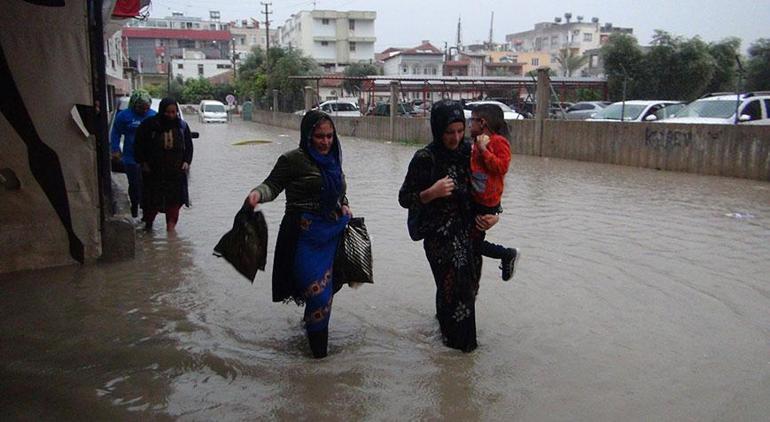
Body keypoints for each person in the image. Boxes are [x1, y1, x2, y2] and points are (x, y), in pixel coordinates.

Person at [246, 110, 352, 359]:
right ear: (307, 136)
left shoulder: (334, 158)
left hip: (331, 234)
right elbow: (272, 185)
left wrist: (344, 203)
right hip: (303, 236)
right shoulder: (291, 160)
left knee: (327, 292)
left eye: (329, 136)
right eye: (319, 136)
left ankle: (313, 339)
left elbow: (337, 189)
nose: (325, 142)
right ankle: (319, 360)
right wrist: (257, 195)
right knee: (318, 293)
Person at [398, 100, 499, 353]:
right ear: (437, 130)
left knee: (469, 290)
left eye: (459, 130)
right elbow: (404, 198)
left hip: (471, 232)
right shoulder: (425, 158)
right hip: (439, 237)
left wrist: (495, 214)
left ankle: (445, 341)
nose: (455, 138)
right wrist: (430, 193)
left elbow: (491, 187)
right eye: (448, 132)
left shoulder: (471, 151)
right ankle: (461, 353)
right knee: (456, 290)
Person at [468, 104, 520, 281]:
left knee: (472, 243)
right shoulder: (475, 142)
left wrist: (484, 150)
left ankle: (506, 254)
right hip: (476, 198)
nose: (469, 125)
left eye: (472, 120)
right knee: (470, 240)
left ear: (482, 122)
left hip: (486, 202)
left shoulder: (498, 142)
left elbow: (502, 167)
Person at [134, 98, 193, 232]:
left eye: (174, 112)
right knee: (152, 203)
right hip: (153, 172)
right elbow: (138, 145)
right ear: (162, 111)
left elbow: (189, 147)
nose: (171, 115)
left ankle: (171, 234)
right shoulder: (149, 125)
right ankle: (148, 226)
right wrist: (143, 163)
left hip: (175, 173)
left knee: (174, 203)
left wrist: (186, 162)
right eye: (168, 112)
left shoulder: (182, 126)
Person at [110, 90, 156, 217]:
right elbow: (115, 133)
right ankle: (134, 204)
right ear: (135, 105)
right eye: (141, 107)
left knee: (147, 184)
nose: (144, 110)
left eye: (147, 107)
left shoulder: (153, 116)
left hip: (148, 158)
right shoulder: (124, 116)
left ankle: (146, 209)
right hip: (130, 156)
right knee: (134, 183)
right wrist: (115, 149)